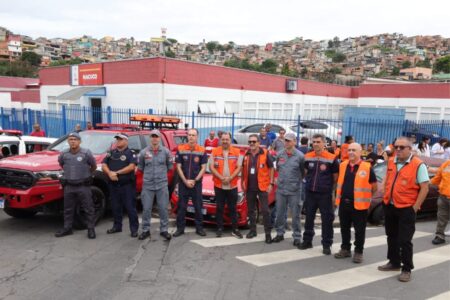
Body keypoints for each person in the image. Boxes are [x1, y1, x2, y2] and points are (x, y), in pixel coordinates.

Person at [378, 137, 429, 282]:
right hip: (390, 205)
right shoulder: (392, 162)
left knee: (405, 240)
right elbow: (388, 179)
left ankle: (406, 268)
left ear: (410, 149)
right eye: (396, 147)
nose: (398, 150)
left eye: (402, 147)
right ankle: (394, 262)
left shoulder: (418, 165)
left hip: (407, 208)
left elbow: (424, 188)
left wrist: (414, 207)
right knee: (391, 236)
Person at [334, 143, 378, 263]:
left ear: (360, 152)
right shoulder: (342, 165)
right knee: (344, 228)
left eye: (354, 150)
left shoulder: (367, 167)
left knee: (359, 230)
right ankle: (345, 249)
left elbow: (374, 186)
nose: (351, 152)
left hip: (360, 205)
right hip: (344, 203)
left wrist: (366, 197)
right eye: (349, 150)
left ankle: (358, 252)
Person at [298, 133, 339, 255]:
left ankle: (327, 244)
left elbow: (335, 178)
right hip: (310, 193)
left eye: (318, 142)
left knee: (327, 220)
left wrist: (331, 192)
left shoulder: (332, 158)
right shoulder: (307, 156)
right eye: (314, 142)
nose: (315, 144)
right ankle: (307, 241)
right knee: (309, 218)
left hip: (325, 194)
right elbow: (305, 172)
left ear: (324, 143)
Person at [55, 132, 97, 239]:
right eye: (70, 139)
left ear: (79, 141)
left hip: (83, 185)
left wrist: (86, 174)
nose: (72, 141)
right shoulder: (64, 154)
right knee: (68, 209)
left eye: (75, 139)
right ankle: (67, 228)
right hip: (69, 185)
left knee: (88, 208)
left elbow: (93, 166)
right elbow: (61, 164)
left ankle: (91, 229)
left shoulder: (86, 153)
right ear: (68, 141)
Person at [137, 129, 173, 241]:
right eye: (152, 136)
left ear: (159, 138)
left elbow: (170, 167)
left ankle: (164, 230)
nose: (154, 138)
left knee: (163, 208)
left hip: (162, 184)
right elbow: (141, 168)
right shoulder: (143, 153)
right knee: (147, 209)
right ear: (150, 138)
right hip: (148, 185)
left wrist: (161, 177)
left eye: (156, 136)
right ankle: (145, 230)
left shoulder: (166, 152)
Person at [102, 133, 139, 238]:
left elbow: (132, 167)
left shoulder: (131, 153)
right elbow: (104, 164)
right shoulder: (111, 153)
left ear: (126, 141)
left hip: (127, 186)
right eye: (117, 139)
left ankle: (134, 229)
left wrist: (117, 173)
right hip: (113, 185)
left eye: (120, 139)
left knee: (130, 208)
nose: (118, 141)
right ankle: (117, 226)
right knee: (115, 207)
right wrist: (109, 173)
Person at [272, 133, 305, 246]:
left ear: (295, 142)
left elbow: (303, 172)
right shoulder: (280, 154)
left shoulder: (300, 156)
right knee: (280, 213)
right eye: (285, 140)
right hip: (281, 189)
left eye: (289, 140)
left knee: (296, 215)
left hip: (295, 190)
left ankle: (296, 237)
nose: (287, 142)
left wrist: (296, 183)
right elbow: (276, 168)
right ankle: (280, 233)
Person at [174, 128, 208, 237]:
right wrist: (185, 181)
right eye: (189, 135)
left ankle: (199, 228)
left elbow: (203, 168)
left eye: (193, 135)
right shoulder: (180, 148)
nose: (191, 137)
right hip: (183, 183)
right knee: (182, 207)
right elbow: (178, 167)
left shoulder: (202, 150)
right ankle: (180, 229)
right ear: (187, 136)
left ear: (197, 137)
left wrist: (195, 180)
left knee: (198, 207)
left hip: (196, 184)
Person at [209, 132, 243, 239]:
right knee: (219, 208)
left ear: (230, 140)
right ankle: (219, 228)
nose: (224, 141)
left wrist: (230, 178)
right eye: (223, 139)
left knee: (233, 208)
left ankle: (235, 229)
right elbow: (211, 167)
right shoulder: (214, 151)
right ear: (220, 140)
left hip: (232, 185)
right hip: (219, 185)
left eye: (227, 139)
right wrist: (221, 178)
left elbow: (239, 167)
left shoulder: (238, 152)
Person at [242, 134, 275, 244]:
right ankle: (253, 231)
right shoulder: (246, 154)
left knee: (265, 211)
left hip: (263, 186)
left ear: (258, 142)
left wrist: (271, 183)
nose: (251, 143)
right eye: (250, 141)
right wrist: (242, 181)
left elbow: (271, 168)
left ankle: (268, 234)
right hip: (250, 187)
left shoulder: (265, 153)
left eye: (254, 141)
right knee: (251, 210)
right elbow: (243, 169)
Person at [430, 158, 450, 245]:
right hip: (443, 197)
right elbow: (437, 178)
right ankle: (440, 236)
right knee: (441, 217)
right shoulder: (446, 164)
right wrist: (425, 183)